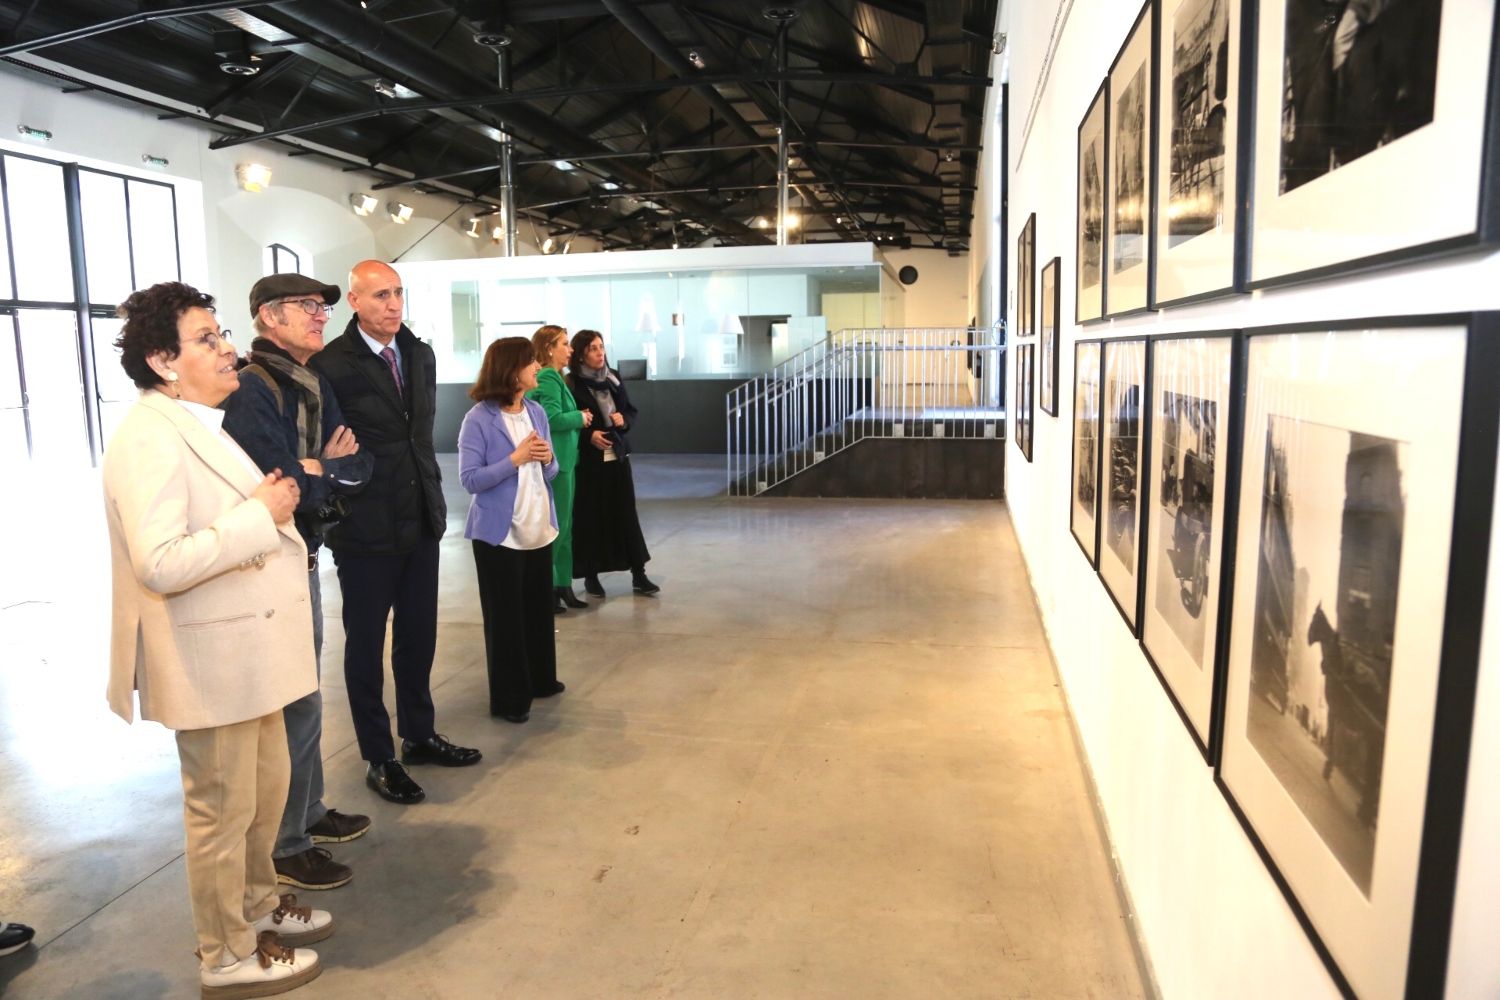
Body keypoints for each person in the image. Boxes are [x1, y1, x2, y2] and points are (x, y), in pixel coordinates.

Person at [103, 281, 329, 998]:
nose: (228, 348)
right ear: (164, 360)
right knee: (222, 813)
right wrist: (260, 515)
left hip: (246, 655)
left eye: (222, 332)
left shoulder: (199, 420)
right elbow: (160, 561)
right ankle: (225, 953)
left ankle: (259, 906)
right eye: (208, 339)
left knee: (262, 796)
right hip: (210, 658)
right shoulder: (150, 436)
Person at [222, 273, 375, 891]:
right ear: (267, 318)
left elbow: (358, 465)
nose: (320, 316)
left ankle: (308, 813)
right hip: (272, 564)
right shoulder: (254, 390)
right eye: (306, 306)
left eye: (322, 307)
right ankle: (287, 844)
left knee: (306, 699)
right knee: (293, 705)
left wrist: (324, 472)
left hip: (305, 556)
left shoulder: (313, 383)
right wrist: (321, 471)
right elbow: (280, 485)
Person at [309, 260, 481, 805]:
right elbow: (324, 445)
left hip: (421, 516)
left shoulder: (418, 352)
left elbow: (418, 438)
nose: (393, 304)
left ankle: (419, 733)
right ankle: (378, 756)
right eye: (381, 294)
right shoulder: (332, 364)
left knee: (419, 635)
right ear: (354, 301)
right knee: (365, 645)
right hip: (365, 527)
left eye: (399, 293)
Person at [458, 338, 566, 723]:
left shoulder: (536, 412)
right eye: (530, 361)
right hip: (499, 534)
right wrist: (514, 459)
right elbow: (470, 480)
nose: (538, 366)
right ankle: (509, 698)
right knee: (505, 619)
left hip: (538, 526)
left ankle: (541, 679)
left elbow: (549, 472)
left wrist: (548, 458)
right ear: (510, 369)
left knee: (537, 611)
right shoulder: (479, 419)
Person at [567, 330, 658, 598]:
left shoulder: (613, 377)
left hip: (617, 455)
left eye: (602, 347)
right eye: (593, 348)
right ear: (581, 353)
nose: (600, 353)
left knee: (625, 513)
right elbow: (568, 419)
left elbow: (630, 410)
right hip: (589, 462)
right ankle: (591, 577)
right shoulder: (571, 383)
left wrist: (623, 421)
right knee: (590, 516)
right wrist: (589, 435)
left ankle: (638, 574)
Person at [525, 325, 592, 613]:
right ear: (549, 348)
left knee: (566, 527)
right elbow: (550, 417)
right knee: (558, 527)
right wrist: (579, 416)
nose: (571, 349)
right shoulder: (549, 377)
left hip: (566, 460)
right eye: (565, 343)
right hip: (558, 463)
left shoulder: (557, 377)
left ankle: (563, 584)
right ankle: (549, 587)